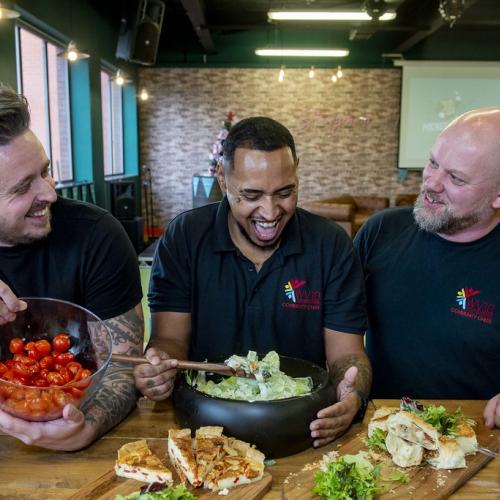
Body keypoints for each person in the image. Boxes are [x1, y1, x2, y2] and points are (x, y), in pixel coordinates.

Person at [134, 116, 371, 447]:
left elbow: (347, 354)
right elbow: (169, 339)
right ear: (222, 176)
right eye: (251, 194)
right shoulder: (185, 237)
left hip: (302, 426)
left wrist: (353, 394)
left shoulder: (330, 244)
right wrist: (159, 366)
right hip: (203, 427)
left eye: (285, 193)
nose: (270, 212)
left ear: (297, 172)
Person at [0, 85, 144, 450]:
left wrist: (86, 429)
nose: (50, 193)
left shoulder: (97, 235)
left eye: (45, 171)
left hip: (73, 439)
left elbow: (123, 367)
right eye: (23, 187)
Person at [354, 108, 500, 429]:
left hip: (474, 437)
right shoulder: (380, 231)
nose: (431, 183)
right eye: (433, 163)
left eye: (456, 178)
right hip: (379, 428)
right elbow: (335, 324)